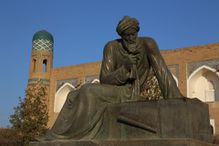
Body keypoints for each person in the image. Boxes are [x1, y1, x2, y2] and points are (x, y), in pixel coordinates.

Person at [41, 16, 183, 140]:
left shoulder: (147, 44)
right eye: (127, 36)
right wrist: (124, 69)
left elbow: (162, 71)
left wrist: (175, 98)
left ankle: (70, 135)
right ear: (122, 36)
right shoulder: (111, 47)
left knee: (88, 91)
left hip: (129, 91)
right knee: (73, 95)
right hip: (114, 88)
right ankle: (60, 135)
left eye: (134, 34)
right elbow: (104, 78)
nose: (131, 39)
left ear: (137, 32)